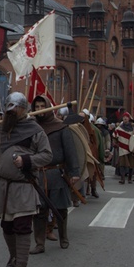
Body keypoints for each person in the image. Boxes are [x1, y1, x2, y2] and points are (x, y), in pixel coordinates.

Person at [0, 92, 52, 267]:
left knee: (23, 227)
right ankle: (14, 256)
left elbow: (47, 155)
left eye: (13, 108)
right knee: (7, 226)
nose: (9, 112)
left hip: (24, 185)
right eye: (7, 108)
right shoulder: (2, 129)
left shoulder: (35, 130)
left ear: (23, 109)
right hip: (4, 185)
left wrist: (27, 160)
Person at [29, 96, 80, 253]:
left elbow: (70, 151)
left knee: (61, 209)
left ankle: (63, 238)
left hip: (56, 173)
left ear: (48, 107)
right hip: (38, 173)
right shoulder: (32, 127)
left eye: (41, 106)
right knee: (39, 211)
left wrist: (74, 172)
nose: (39, 109)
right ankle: (39, 243)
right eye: (36, 106)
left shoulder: (60, 127)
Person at [113, 112, 134, 184]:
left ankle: (130, 178)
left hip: (131, 147)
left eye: (126, 117)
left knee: (131, 164)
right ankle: (122, 178)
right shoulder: (118, 128)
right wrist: (115, 143)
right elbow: (114, 136)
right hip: (122, 147)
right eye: (124, 117)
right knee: (122, 164)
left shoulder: (133, 127)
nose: (125, 118)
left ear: (129, 118)